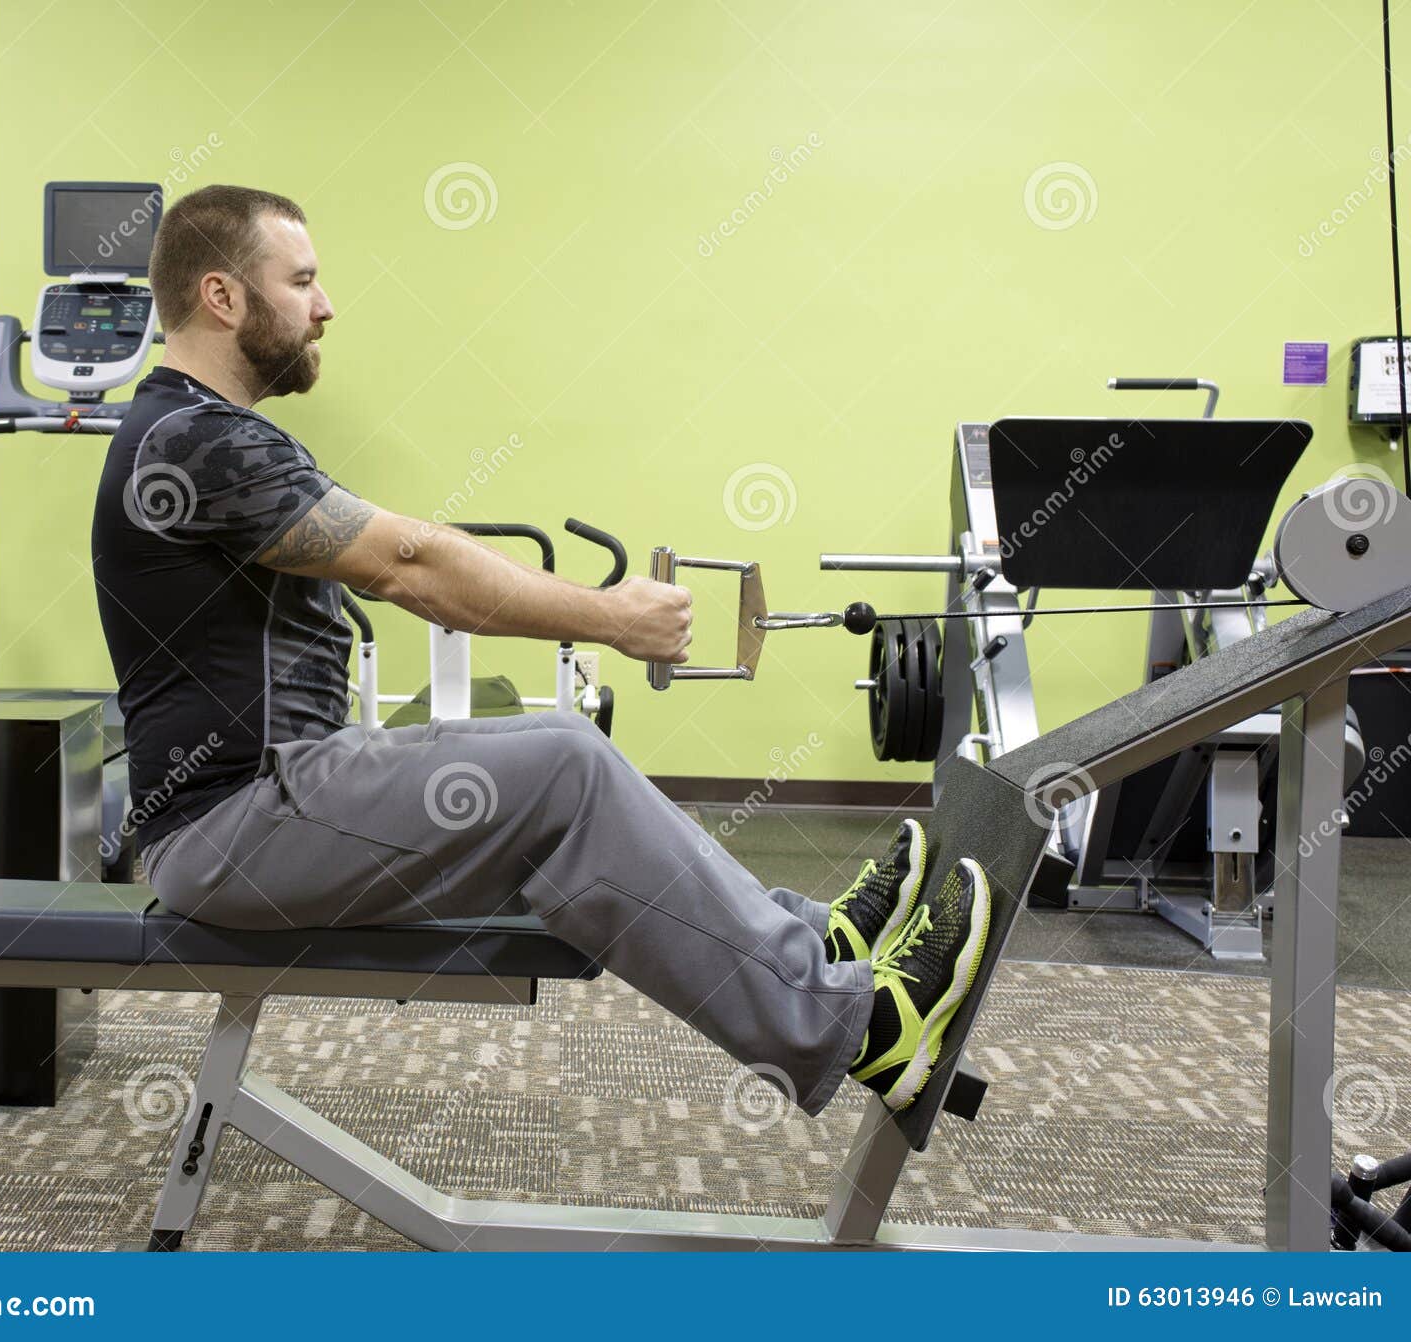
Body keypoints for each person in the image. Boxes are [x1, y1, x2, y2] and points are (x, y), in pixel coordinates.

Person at [90, 184, 989, 1117]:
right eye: (303, 281)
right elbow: (408, 565)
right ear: (223, 297)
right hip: (229, 834)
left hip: (272, 805)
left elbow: (404, 559)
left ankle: (820, 947)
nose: (324, 306)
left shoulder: (205, 433)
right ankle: (866, 1034)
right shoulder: (193, 442)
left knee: (566, 764)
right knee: (563, 767)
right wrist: (607, 615)